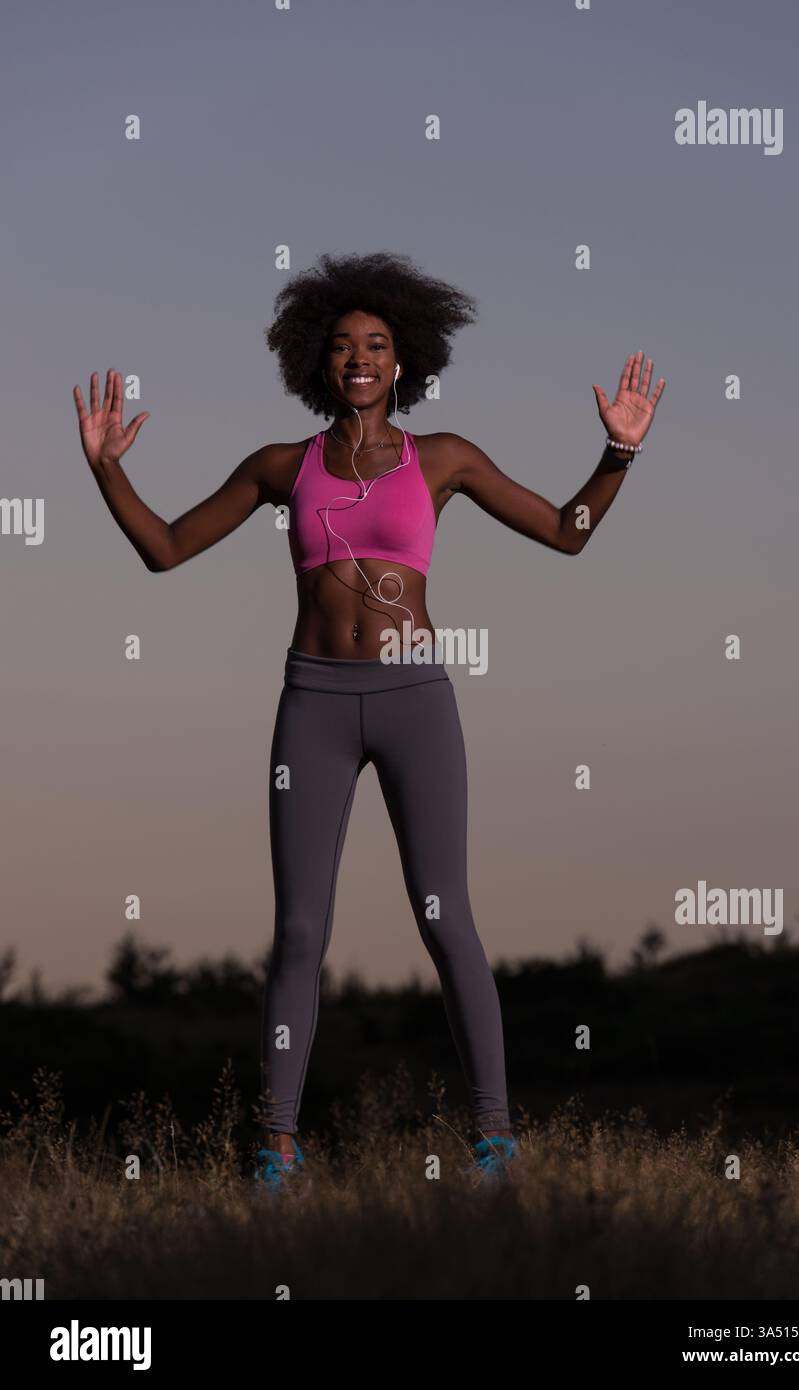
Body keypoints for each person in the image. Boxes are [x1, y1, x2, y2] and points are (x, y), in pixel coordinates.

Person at [73, 250, 665, 1187]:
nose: (360, 358)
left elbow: (564, 532)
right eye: (343, 345)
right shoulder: (280, 466)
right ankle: (273, 1149)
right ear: (317, 361)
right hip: (312, 700)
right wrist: (107, 472)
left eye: (377, 345)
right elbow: (167, 549)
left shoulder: (444, 459)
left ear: (404, 362)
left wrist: (618, 451)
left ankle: (494, 1140)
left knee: (446, 919)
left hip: (414, 696)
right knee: (301, 932)